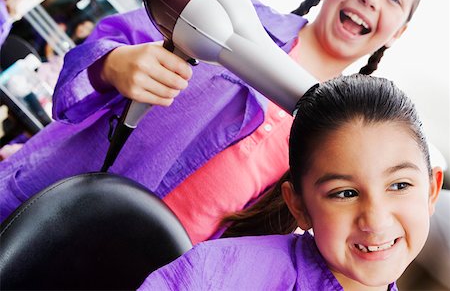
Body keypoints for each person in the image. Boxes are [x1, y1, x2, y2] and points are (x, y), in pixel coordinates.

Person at [0, 0, 422, 244]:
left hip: (136, 267)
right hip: (47, 201)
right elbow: (90, 59)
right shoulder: (219, 10)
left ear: (398, 32)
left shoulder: (341, 138)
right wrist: (114, 64)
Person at [138, 74, 444, 290]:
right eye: (345, 193)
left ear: (431, 190)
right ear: (298, 205)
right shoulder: (214, 275)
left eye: (400, 186)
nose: (375, 221)